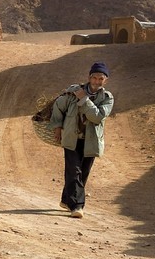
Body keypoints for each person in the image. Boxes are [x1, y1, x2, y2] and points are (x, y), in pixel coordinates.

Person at [47, 61, 114, 218]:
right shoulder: (74, 91)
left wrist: (84, 100)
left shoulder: (107, 98)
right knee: (74, 171)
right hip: (71, 138)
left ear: (106, 81)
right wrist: (57, 127)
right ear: (89, 78)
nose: (97, 82)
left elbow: (97, 117)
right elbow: (59, 106)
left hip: (90, 141)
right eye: (94, 78)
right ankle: (77, 206)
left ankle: (66, 199)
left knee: (83, 173)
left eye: (101, 79)